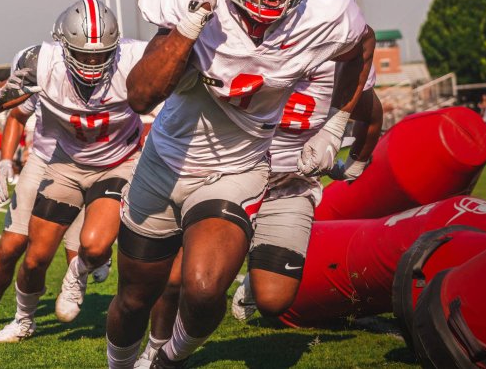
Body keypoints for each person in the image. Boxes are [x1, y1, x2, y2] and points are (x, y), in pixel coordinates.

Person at [104, 0, 375, 368]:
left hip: (238, 167)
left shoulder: (326, 12)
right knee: (133, 298)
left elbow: (362, 44)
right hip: (165, 164)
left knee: (205, 289)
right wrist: (193, 18)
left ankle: (170, 360)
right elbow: (141, 97)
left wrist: (333, 127)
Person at [133, 63, 383, 364]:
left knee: (274, 300)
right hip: (224, 179)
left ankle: (178, 350)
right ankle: (158, 350)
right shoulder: (242, 48)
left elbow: (370, 115)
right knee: (177, 279)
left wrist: (354, 164)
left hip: (288, 186)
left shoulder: (334, 59)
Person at [0, 0, 145, 342]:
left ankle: (76, 274)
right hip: (64, 164)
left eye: (101, 54)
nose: (93, 62)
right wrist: (9, 91)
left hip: (118, 162)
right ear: (63, 45)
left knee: (93, 248)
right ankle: (22, 319)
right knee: (34, 258)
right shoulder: (40, 63)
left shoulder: (134, 58)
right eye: (84, 55)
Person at [0, 94, 109, 340]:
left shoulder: (116, 63)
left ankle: (96, 260)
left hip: (95, 166)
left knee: (80, 252)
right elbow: (14, 114)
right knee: (13, 245)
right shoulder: (37, 60)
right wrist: (5, 160)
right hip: (43, 162)